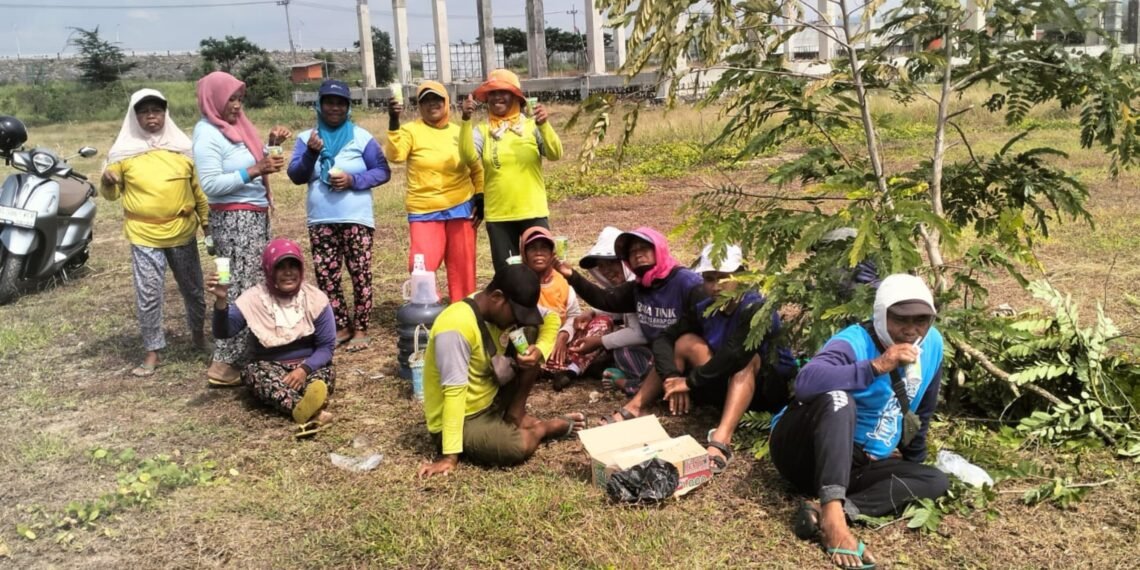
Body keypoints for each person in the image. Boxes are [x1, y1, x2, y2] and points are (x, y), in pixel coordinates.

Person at [768, 274, 949, 570]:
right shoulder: (853, 342)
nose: (911, 330)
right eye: (901, 319)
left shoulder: (933, 345)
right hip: (804, 450)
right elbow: (806, 382)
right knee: (839, 399)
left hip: (856, 465)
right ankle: (834, 520)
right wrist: (878, 365)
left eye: (921, 320)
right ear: (881, 315)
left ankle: (831, 510)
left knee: (934, 479)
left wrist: (912, 460)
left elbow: (923, 409)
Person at [417, 264, 587, 478]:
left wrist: (540, 350)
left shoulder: (495, 306)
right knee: (516, 448)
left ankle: (515, 415)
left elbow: (551, 318)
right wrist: (449, 456)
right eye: (515, 313)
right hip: (466, 417)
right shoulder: (455, 327)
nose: (517, 320)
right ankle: (542, 429)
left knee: (532, 329)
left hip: (493, 395)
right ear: (497, 297)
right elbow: (454, 392)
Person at [654, 244, 796, 474]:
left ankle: (722, 438)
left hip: (767, 389)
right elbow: (664, 337)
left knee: (747, 359)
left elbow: (736, 354)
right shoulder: (705, 308)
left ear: (741, 276)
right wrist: (672, 376)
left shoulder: (756, 308)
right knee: (685, 341)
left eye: (724, 278)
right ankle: (642, 404)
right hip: (725, 382)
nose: (716, 286)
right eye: (710, 279)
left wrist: (689, 382)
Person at [100, 88, 209, 377]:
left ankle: (198, 336)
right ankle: (153, 351)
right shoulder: (123, 154)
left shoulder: (182, 149)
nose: (151, 116)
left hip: (182, 232)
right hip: (144, 235)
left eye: (157, 110)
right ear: (135, 117)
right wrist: (108, 181)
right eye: (144, 111)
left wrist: (207, 223)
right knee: (148, 294)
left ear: (165, 113)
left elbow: (198, 192)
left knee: (194, 290)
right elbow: (110, 195)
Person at [193, 70, 292, 386]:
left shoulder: (236, 129)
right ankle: (225, 362)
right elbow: (210, 184)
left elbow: (258, 166)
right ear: (213, 100)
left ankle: (245, 350)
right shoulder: (207, 133)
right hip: (233, 221)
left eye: (239, 99)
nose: (236, 105)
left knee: (248, 283)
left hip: (251, 216)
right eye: (230, 99)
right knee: (236, 288)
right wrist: (255, 168)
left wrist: (271, 146)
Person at [552, 227, 706, 424]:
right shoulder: (640, 286)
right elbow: (605, 299)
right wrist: (571, 275)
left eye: (644, 248)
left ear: (659, 249)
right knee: (629, 353)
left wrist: (676, 376)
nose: (638, 254)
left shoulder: (686, 282)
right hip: (663, 356)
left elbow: (702, 327)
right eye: (632, 252)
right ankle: (644, 399)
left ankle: (640, 400)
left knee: (677, 343)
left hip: (690, 358)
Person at [287, 79, 391, 352]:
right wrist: (311, 153)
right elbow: (296, 175)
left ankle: (361, 328)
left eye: (340, 103)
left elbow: (382, 171)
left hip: (356, 219)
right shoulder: (306, 138)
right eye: (329, 102)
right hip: (321, 219)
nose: (334, 108)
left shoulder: (362, 137)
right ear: (319, 105)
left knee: (360, 274)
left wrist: (353, 180)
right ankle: (341, 325)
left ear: (348, 107)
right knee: (327, 277)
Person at [207, 238, 336, 437]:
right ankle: (311, 410)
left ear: (300, 269)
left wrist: (304, 369)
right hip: (270, 368)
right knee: (253, 373)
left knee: (323, 374)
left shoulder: (314, 298)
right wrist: (221, 300)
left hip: (308, 365)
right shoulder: (254, 298)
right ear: (269, 270)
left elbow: (326, 347)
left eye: (293, 266)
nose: (288, 272)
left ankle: (307, 400)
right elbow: (224, 332)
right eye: (280, 267)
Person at [385, 81, 484, 302]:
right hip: (424, 209)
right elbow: (395, 155)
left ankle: (464, 310)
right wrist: (393, 120)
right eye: (426, 100)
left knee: (463, 267)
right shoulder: (411, 130)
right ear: (419, 105)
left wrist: (480, 196)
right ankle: (428, 307)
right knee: (421, 264)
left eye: (437, 99)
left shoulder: (459, 132)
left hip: (461, 207)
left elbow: (476, 168)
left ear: (446, 102)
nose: (433, 104)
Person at [459, 69, 563, 271]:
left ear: (516, 96)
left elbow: (555, 153)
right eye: (492, 93)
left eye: (503, 92)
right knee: (508, 273)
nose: (497, 97)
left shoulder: (532, 126)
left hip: (532, 211)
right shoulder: (483, 130)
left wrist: (544, 126)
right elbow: (467, 157)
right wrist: (465, 121)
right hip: (499, 216)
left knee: (539, 270)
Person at [517, 226, 601, 390]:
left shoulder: (562, 281)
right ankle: (568, 367)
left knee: (602, 323)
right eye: (533, 248)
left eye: (544, 248)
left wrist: (563, 336)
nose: (539, 253)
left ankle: (569, 370)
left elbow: (573, 315)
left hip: (563, 344)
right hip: (537, 346)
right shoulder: (518, 281)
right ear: (524, 254)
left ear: (552, 254)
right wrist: (544, 344)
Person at [567, 227, 648, 387]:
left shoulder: (638, 286)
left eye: (611, 263)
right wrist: (592, 312)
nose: (607, 271)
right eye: (602, 266)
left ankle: (635, 381)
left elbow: (639, 333)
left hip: (661, 350)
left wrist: (600, 341)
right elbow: (619, 310)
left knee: (621, 351)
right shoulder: (627, 288)